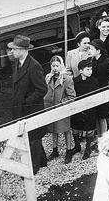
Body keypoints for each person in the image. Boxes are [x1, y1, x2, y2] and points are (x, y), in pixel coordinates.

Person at [8, 35, 48, 174]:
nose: (11, 51)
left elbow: (42, 89)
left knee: (33, 138)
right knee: (31, 137)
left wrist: (27, 103)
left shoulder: (34, 66)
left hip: (31, 110)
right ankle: (42, 161)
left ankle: (33, 168)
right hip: (21, 109)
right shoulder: (17, 63)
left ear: (23, 50)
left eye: (14, 49)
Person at [44, 55, 76, 160]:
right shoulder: (48, 78)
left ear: (61, 66)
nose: (55, 68)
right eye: (53, 66)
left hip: (62, 109)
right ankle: (55, 150)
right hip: (51, 108)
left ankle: (69, 150)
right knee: (54, 129)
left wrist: (62, 103)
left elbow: (72, 96)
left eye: (57, 66)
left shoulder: (67, 79)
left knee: (66, 130)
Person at [89, 39, 109, 136]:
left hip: (104, 92)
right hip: (96, 92)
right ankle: (100, 136)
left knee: (102, 117)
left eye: (91, 49)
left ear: (98, 50)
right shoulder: (93, 60)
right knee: (97, 117)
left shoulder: (107, 61)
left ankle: (104, 137)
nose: (89, 51)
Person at [70, 58, 100, 161]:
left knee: (89, 129)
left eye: (91, 69)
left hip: (90, 109)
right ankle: (77, 146)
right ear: (81, 71)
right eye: (87, 69)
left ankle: (88, 148)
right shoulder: (75, 81)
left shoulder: (94, 81)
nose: (90, 71)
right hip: (77, 109)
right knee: (75, 128)